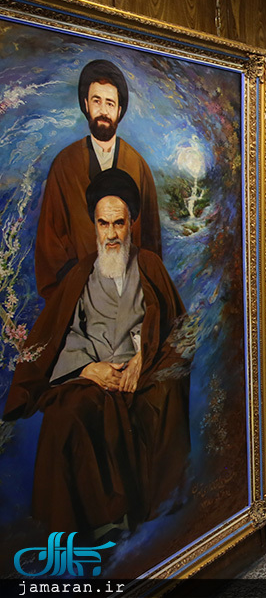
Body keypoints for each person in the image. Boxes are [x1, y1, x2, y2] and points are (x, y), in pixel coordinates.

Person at [4, 169, 189, 543]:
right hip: (92, 373)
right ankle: (94, 521)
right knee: (66, 414)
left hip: (141, 370)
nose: (111, 234)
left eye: (119, 223)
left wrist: (143, 358)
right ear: (94, 225)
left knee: (161, 396)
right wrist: (90, 369)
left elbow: (175, 326)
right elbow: (67, 333)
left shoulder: (149, 265)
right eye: (103, 224)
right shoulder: (81, 273)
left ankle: (149, 511)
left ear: (131, 224)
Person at [35, 58, 162, 302]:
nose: (103, 110)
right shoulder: (65, 164)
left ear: (120, 110)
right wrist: (78, 287)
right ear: (86, 104)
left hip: (130, 294)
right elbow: (50, 241)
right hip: (79, 293)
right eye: (97, 101)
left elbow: (150, 239)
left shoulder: (138, 166)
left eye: (110, 103)